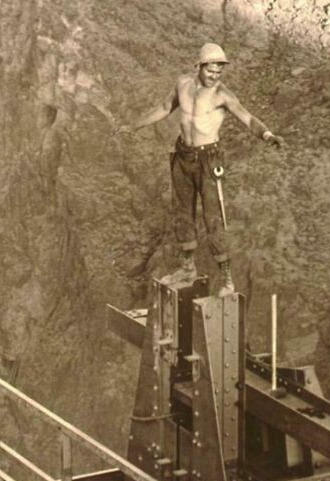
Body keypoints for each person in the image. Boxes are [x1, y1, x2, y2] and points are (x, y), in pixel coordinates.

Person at [120, 43, 284, 295]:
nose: (214, 76)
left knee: (214, 219)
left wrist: (267, 135)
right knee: (182, 212)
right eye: (211, 71)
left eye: (219, 72)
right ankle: (187, 268)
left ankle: (227, 280)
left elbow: (247, 117)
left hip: (209, 159)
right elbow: (164, 108)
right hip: (183, 155)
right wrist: (133, 126)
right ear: (199, 66)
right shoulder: (182, 84)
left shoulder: (223, 95)